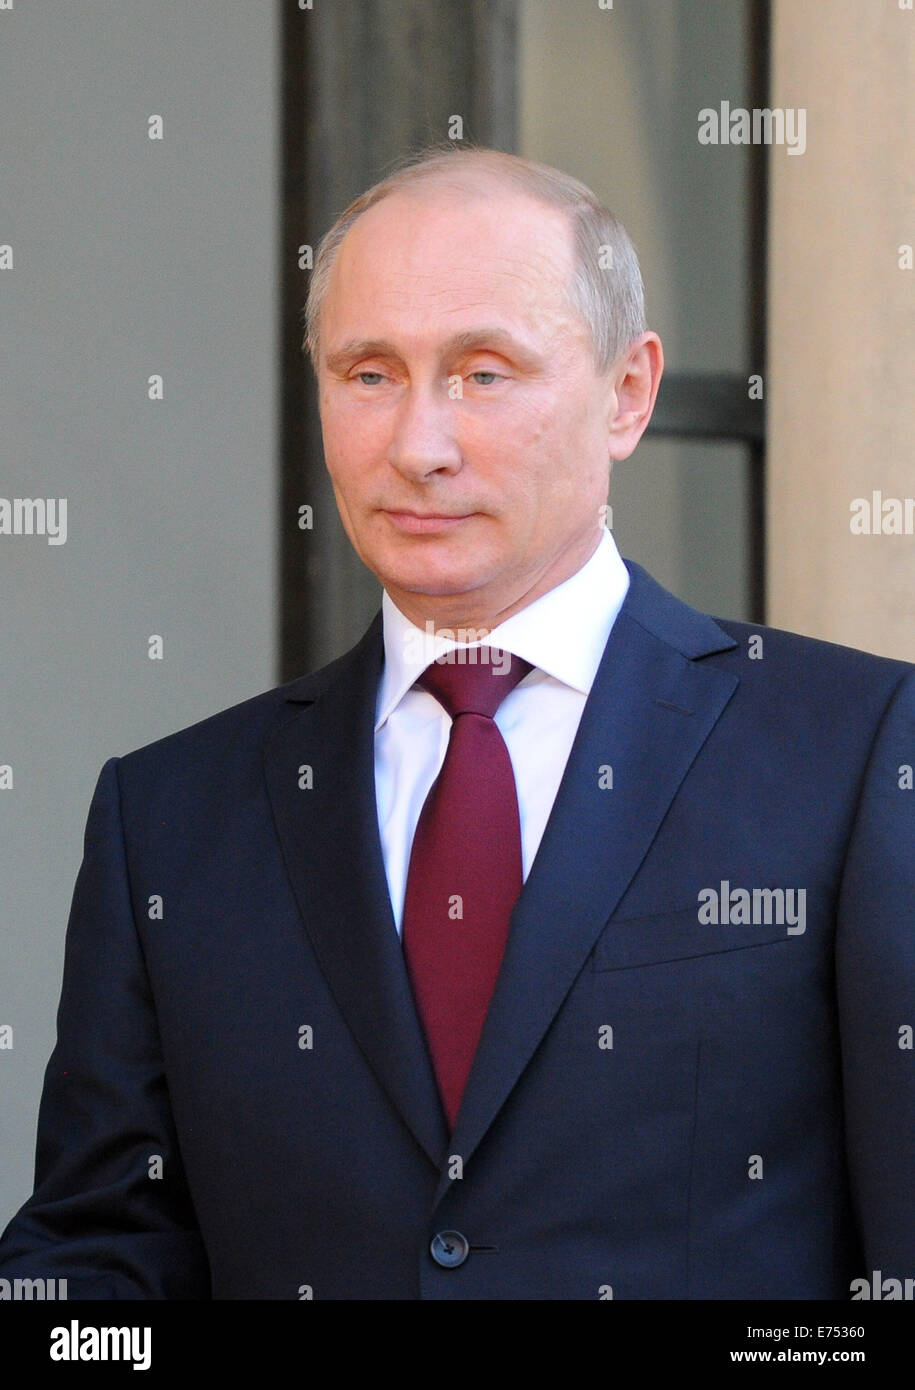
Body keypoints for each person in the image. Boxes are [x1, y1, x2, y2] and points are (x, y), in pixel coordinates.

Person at [1, 146, 912, 1300]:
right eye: (369, 373)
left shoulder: (857, 750)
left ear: (628, 393)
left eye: (484, 373)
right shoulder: (170, 814)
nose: (418, 444)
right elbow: (103, 1256)